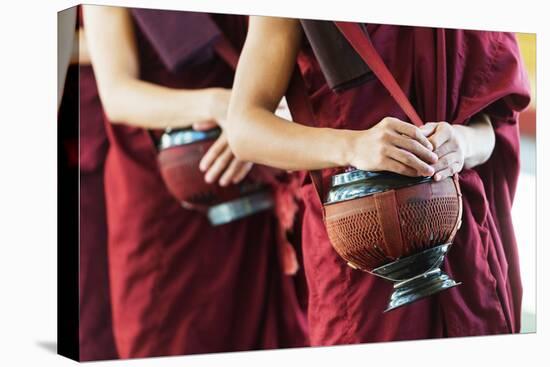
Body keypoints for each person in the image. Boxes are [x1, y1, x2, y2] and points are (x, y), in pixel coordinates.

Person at [226, 18, 530, 344]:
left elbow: (492, 129)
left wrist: (462, 141)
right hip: (359, 253)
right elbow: (244, 128)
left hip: (463, 241)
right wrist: (353, 146)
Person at [83, 6, 307, 359]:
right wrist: (228, 108)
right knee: (168, 337)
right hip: (162, 191)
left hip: (251, 169)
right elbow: (118, 94)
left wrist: (256, 123)